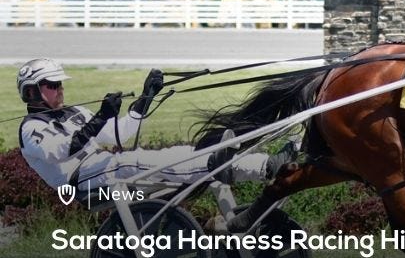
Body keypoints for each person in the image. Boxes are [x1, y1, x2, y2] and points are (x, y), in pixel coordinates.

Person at [17, 58, 295, 198]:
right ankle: (213, 165)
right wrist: (100, 117)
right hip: (80, 181)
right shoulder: (30, 129)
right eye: (52, 85)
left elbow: (118, 133)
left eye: (60, 84)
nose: (60, 89)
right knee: (129, 161)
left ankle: (265, 166)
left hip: (102, 168)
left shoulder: (76, 112)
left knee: (180, 153)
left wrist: (146, 97)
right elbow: (60, 152)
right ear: (31, 92)